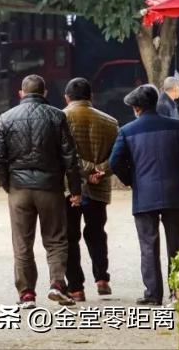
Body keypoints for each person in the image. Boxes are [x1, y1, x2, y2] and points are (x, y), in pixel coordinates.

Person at [0, 74, 81, 309]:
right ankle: (57, 285)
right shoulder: (57, 116)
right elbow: (70, 157)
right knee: (56, 240)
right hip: (50, 187)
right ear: (45, 93)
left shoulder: (7, 117)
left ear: (21, 93)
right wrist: (75, 189)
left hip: (19, 189)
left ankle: (27, 294)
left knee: (22, 243)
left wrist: (6, 183)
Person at [110, 84, 179, 306]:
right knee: (175, 246)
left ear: (136, 108)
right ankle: (177, 292)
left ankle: (153, 295)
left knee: (148, 246)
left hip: (145, 196)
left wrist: (132, 179)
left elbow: (114, 162)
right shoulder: (177, 126)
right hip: (174, 194)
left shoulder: (128, 131)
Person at [62, 77, 119, 301]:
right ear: (91, 97)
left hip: (69, 187)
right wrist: (100, 171)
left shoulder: (60, 118)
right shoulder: (110, 122)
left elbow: (64, 155)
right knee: (96, 232)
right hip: (99, 187)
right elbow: (118, 155)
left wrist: (85, 170)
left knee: (70, 236)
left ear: (66, 97)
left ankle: (76, 288)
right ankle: (102, 279)